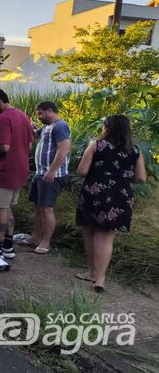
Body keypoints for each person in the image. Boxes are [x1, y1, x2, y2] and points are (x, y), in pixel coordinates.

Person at [76, 115, 146, 293]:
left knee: (89, 230)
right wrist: (122, 176)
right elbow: (141, 178)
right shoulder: (135, 151)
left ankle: (93, 272)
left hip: (95, 191)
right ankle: (100, 279)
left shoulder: (97, 145)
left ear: (107, 127)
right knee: (106, 237)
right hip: (120, 195)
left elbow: (82, 170)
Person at [0, 89, 34, 258]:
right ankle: (8, 247)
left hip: (5, 169)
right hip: (21, 168)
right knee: (8, 207)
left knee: (0, 210)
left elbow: (3, 148)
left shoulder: (2, 118)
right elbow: (29, 146)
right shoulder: (24, 116)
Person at [20, 101, 71, 254]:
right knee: (38, 207)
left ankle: (45, 242)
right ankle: (36, 237)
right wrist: (29, 125)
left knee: (46, 208)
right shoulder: (47, 127)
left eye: (40, 113)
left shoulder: (60, 126)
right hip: (41, 173)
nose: (39, 117)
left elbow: (63, 150)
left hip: (52, 175)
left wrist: (52, 171)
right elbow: (33, 135)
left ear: (49, 110)